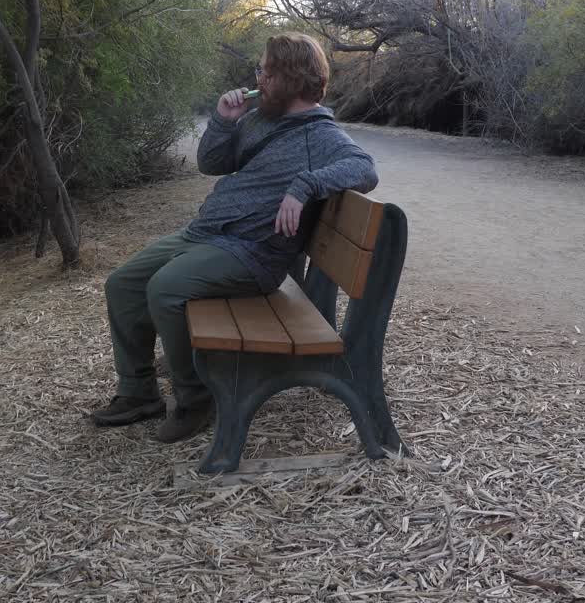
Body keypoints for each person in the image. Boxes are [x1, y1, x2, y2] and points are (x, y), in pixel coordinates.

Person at [91, 32, 379, 442]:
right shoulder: (260, 118)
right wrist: (223, 122)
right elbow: (211, 163)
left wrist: (304, 186)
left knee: (165, 289)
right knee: (122, 285)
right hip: (206, 235)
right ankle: (138, 393)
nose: (258, 77)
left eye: (265, 70)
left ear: (291, 77)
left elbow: (365, 169)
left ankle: (195, 400)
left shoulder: (322, 137)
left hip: (251, 253)